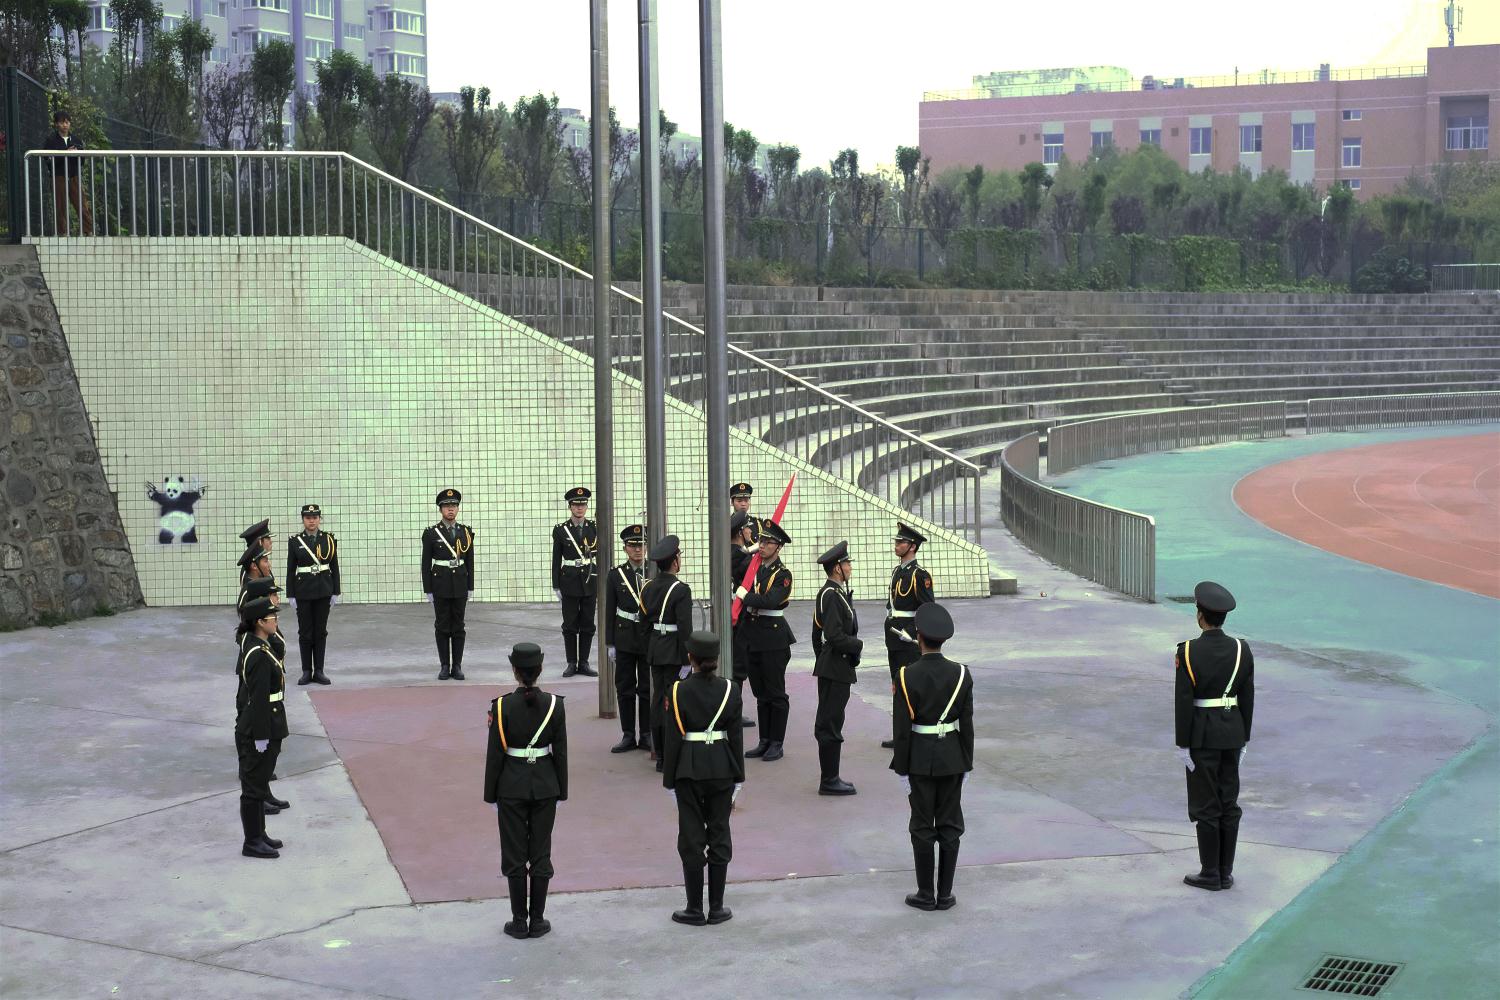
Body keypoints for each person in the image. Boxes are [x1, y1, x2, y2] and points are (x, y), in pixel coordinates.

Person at [890, 602, 973, 912]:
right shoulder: (962, 674)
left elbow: (901, 729)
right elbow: (967, 725)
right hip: (953, 757)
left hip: (919, 759)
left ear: (918, 636)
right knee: (950, 824)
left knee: (922, 825)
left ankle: (926, 893)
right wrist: (966, 761)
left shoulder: (905, 675)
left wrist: (901, 768)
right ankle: (945, 894)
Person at [484, 642, 569, 939]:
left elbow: (495, 755)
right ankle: (538, 920)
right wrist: (561, 791)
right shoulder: (555, 705)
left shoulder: (501, 706)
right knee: (541, 852)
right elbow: (561, 752)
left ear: (515, 671)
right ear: (540, 669)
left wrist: (491, 794)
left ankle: (519, 921)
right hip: (545, 784)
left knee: (514, 852)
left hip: (511, 785)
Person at [1176, 581, 1255, 892]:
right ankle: (1225, 872)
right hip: (1232, 733)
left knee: (1206, 802)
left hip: (1202, 735)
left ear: (1200, 615)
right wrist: (1244, 737)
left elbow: (1184, 701)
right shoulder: (1242, 649)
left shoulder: (1188, 651)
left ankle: (1210, 872)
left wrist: (1182, 743)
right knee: (1228, 801)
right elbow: (1247, 696)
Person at [662, 630, 745, 926]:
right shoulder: (731, 689)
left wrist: (669, 781)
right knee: (720, 832)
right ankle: (717, 907)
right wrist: (739, 777)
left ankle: (694, 908)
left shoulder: (677, 691)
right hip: (722, 766)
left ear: (691, 658)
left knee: (691, 837)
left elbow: (672, 740)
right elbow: (736, 737)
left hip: (689, 768)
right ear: (716, 658)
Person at [735, 518, 794, 762]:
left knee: (775, 693)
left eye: (768, 542)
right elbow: (736, 567)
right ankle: (764, 740)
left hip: (773, 638)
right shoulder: (754, 568)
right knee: (760, 693)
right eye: (761, 540)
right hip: (753, 636)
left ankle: (776, 742)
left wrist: (744, 596)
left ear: (778, 547)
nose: (762, 545)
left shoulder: (783, 574)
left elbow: (770, 601)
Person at [235, 597, 289, 859]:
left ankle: (260, 833)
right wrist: (260, 735)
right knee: (253, 787)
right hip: (260, 725)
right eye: (272, 618)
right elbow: (257, 699)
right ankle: (252, 841)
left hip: (269, 720)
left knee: (259, 782)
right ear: (259, 622)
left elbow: (279, 649)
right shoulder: (257, 654)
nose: (276, 621)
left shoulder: (260, 645)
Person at [812, 540, 862, 795]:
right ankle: (829, 780)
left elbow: (817, 636)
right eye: (847, 563)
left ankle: (831, 777)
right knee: (830, 723)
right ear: (837, 568)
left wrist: (823, 658)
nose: (850, 566)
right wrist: (857, 645)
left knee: (831, 720)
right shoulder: (831, 595)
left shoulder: (834, 593)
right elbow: (833, 635)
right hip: (836, 667)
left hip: (833, 666)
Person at [881, 522, 935, 750]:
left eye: (901, 542)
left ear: (912, 546)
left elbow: (928, 609)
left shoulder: (919, 575)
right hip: (894, 638)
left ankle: (916, 733)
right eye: (897, 541)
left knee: (911, 687)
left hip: (908, 640)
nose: (897, 545)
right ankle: (901, 734)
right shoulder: (898, 571)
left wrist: (914, 634)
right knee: (897, 686)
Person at [642, 534, 693, 773]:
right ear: (674, 562)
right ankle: (672, 755)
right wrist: (687, 659)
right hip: (674, 652)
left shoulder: (648, 587)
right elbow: (685, 628)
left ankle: (660, 754)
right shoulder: (681, 590)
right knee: (673, 702)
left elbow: (643, 624)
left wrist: (651, 648)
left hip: (656, 649)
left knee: (657, 701)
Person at [605, 523, 652, 753]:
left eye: (641, 545)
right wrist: (610, 642)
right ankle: (628, 734)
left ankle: (646, 734)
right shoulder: (616, 575)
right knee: (625, 688)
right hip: (624, 636)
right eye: (633, 545)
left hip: (647, 637)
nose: (637, 550)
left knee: (646, 688)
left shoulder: (652, 572)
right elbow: (609, 610)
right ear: (625, 548)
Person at [422, 488, 474, 680]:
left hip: (459, 583)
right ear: (440, 509)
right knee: (442, 626)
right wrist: (428, 589)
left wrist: (470, 586)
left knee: (458, 626)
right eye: (446, 506)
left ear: (458, 508)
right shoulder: (431, 533)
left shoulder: (465, 532)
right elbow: (425, 563)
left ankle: (457, 666)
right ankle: (444, 665)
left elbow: (470, 561)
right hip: (440, 584)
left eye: (453, 505)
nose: (450, 509)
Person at [286, 503, 340, 686]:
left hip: (323, 590)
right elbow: (290, 569)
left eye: (315, 517)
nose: (311, 521)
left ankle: (319, 671)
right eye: (308, 518)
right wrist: (291, 594)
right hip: (303, 592)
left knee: (320, 632)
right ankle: (306, 671)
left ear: (319, 519)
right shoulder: (295, 541)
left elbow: (334, 567)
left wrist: (336, 591)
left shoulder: (329, 539)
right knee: (305, 632)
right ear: (303, 519)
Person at [551, 487, 599, 677]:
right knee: (570, 625)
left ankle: (584, 662)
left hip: (590, 580)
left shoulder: (594, 528)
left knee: (588, 623)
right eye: (576, 504)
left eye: (583, 504)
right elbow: (556, 559)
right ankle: (571, 662)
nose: (580, 508)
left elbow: (599, 554)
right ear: (570, 506)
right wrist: (556, 584)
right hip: (569, 581)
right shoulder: (561, 530)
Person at [42, 110, 93, 235]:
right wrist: (65, 152)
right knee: (60, 206)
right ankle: (62, 233)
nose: (65, 125)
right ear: (56, 124)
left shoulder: (76, 140)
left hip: (74, 176)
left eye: (67, 122)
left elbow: (82, 161)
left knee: (81, 204)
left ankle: (88, 231)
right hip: (58, 176)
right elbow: (48, 161)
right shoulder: (50, 140)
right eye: (61, 122)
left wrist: (77, 153)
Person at [728, 511, 756, 730]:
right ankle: (733, 712)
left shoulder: (727, 553)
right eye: (747, 528)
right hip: (741, 616)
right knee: (738, 667)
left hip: (729, 612)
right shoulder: (742, 558)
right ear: (740, 532)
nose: (750, 531)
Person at [238, 518, 273, 584]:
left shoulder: (260, 563)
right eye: (268, 538)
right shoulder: (250, 569)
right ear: (259, 541)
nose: (271, 542)